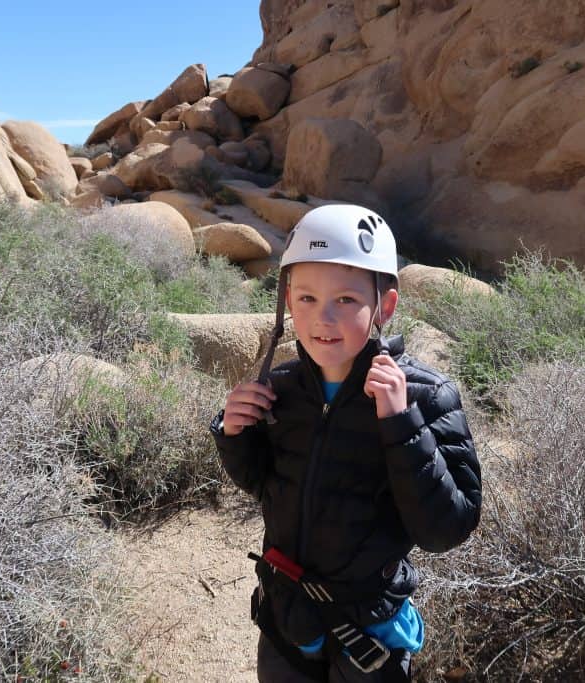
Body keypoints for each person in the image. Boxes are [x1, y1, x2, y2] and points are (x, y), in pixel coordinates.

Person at [210, 204, 482, 682]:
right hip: (287, 615)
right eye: (308, 298)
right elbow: (262, 484)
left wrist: (401, 423)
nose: (323, 319)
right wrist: (234, 434)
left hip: (369, 629)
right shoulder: (283, 387)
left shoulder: (426, 395)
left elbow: (447, 529)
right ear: (287, 300)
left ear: (385, 306)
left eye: (347, 301)